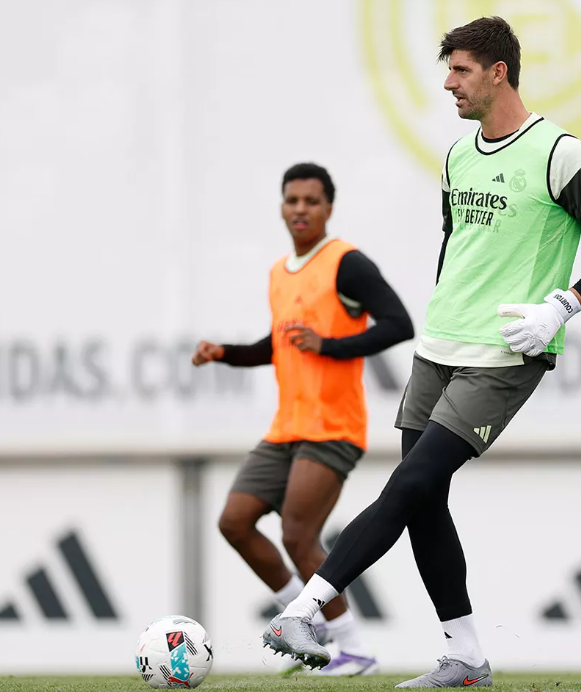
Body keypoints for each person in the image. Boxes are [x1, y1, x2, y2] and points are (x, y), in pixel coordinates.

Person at [261, 17, 581, 688]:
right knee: (425, 500)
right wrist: (442, 312)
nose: (448, 83)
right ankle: (465, 655)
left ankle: (306, 607)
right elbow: (456, 245)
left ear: (498, 72)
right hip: (439, 346)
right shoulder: (458, 154)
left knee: (408, 484)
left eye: (460, 70)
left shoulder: (559, 153)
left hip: (503, 354)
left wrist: (562, 304)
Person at [193, 162, 413, 677]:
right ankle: (303, 621)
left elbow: (399, 324)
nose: (300, 209)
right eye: (292, 200)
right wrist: (223, 352)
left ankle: (354, 649)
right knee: (234, 521)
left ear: (328, 209)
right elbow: (280, 345)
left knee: (297, 536)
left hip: (332, 427)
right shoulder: (278, 272)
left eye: (311, 201)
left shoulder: (345, 263)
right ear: (281, 206)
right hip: (284, 429)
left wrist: (331, 345)